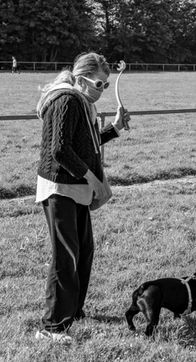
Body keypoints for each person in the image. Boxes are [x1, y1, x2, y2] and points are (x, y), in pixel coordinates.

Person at [34, 52, 130, 343]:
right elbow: (60, 150)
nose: (102, 90)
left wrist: (114, 129)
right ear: (81, 79)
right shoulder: (67, 100)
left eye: (105, 84)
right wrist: (93, 178)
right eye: (99, 84)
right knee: (66, 256)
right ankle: (51, 327)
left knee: (84, 251)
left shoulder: (82, 103)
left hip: (76, 189)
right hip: (60, 188)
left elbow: (84, 144)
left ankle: (74, 310)